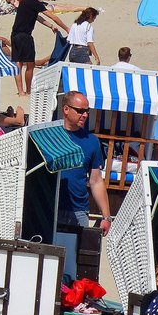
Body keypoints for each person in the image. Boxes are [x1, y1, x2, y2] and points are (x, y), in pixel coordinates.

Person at [57, 91, 112, 235]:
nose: (85, 115)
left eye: (87, 111)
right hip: (50, 207)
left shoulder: (92, 141)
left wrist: (106, 217)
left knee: (75, 256)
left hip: (78, 210)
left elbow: (96, 181)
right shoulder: (50, 135)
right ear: (66, 109)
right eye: (80, 111)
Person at [11, 0, 70, 98]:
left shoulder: (24, 2)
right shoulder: (34, 2)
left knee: (18, 63)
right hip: (25, 36)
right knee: (30, 64)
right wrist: (66, 28)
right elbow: (52, 16)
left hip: (14, 34)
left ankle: (21, 91)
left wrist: (50, 26)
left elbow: (37, 17)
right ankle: (28, 91)